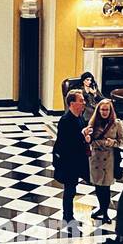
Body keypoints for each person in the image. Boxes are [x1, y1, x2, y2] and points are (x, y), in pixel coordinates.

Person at [52, 88, 91, 227]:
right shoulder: (65, 120)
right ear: (72, 103)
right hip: (68, 162)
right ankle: (67, 216)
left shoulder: (80, 117)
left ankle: (70, 215)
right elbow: (65, 142)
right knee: (70, 189)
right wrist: (82, 136)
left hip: (78, 159)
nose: (84, 103)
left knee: (74, 188)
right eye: (81, 101)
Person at [86, 98, 123, 223]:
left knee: (106, 187)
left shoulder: (117, 124)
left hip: (109, 159)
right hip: (96, 158)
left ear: (110, 110)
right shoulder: (92, 123)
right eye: (102, 109)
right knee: (98, 186)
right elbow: (89, 140)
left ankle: (105, 212)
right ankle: (101, 208)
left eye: (106, 109)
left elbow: (122, 140)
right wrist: (93, 140)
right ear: (98, 110)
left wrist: (113, 142)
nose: (104, 112)